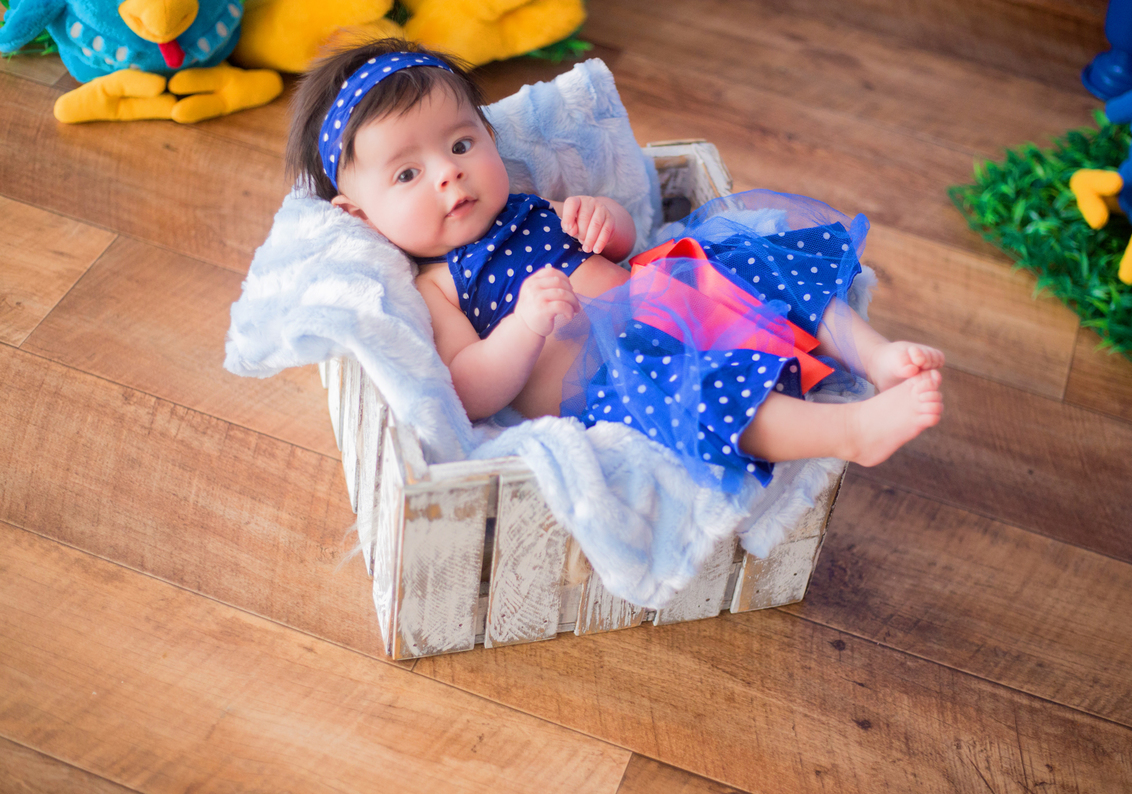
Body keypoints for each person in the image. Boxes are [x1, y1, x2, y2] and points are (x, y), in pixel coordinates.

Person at [286, 38, 945, 491]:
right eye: (407, 173)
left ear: (488, 134)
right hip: (608, 371)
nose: (448, 174)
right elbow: (471, 390)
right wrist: (523, 326)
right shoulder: (438, 287)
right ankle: (848, 430)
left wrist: (605, 222)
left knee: (756, 260)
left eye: (461, 144)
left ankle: (875, 355)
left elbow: (624, 248)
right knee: (697, 399)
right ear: (360, 215)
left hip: (666, 296)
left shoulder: (526, 204)